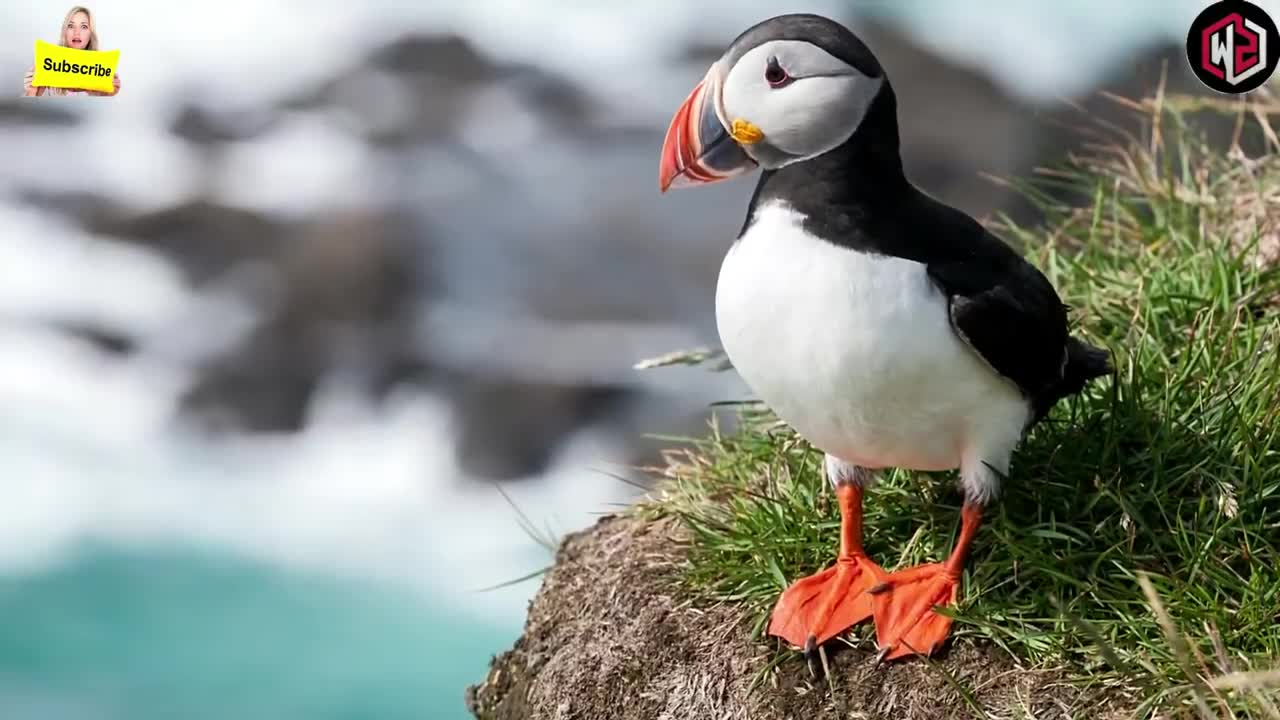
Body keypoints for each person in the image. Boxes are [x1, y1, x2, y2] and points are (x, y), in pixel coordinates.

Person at [21, 6, 120, 97]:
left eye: (84, 26)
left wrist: (106, 95)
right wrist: (31, 92)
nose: (77, 32)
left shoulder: (101, 68)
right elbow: (30, 113)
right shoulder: (49, 62)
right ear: (65, 31)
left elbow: (103, 113)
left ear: (91, 34)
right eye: (71, 26)